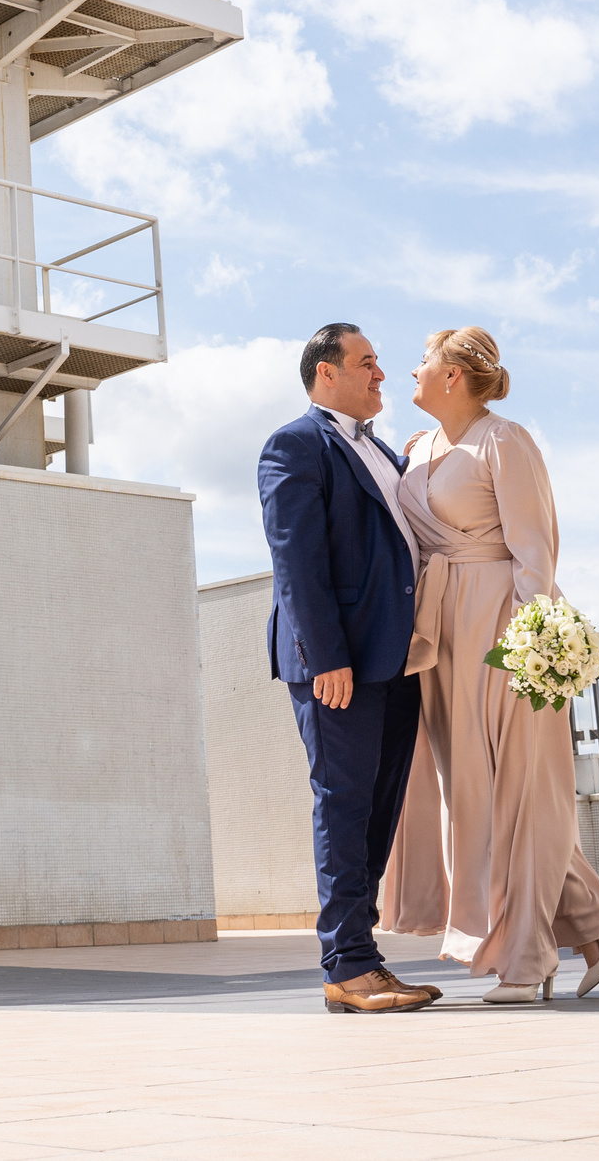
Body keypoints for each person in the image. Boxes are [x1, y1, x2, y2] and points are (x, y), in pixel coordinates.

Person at [381, 327, 599, 1002]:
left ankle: (527, 959)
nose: (411, 367)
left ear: (455, 376)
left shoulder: (506, 440)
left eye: (424, 359)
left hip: (501, 627)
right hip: (438, 637)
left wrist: (535, 648)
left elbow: (535, 551)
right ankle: (588, 920)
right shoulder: (415, 449)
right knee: (472, 799)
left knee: (518, 792)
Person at [256, 324, 438, 1014]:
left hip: (395, 663)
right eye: (367, 363)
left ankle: (361, 957)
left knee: (379, 809)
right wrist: (327, 656)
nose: (382, 374)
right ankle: (346, 964)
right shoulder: (295, 444)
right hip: (338, 666)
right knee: (343, 802)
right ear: (326, 373)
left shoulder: (385, 451)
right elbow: (295, 560)